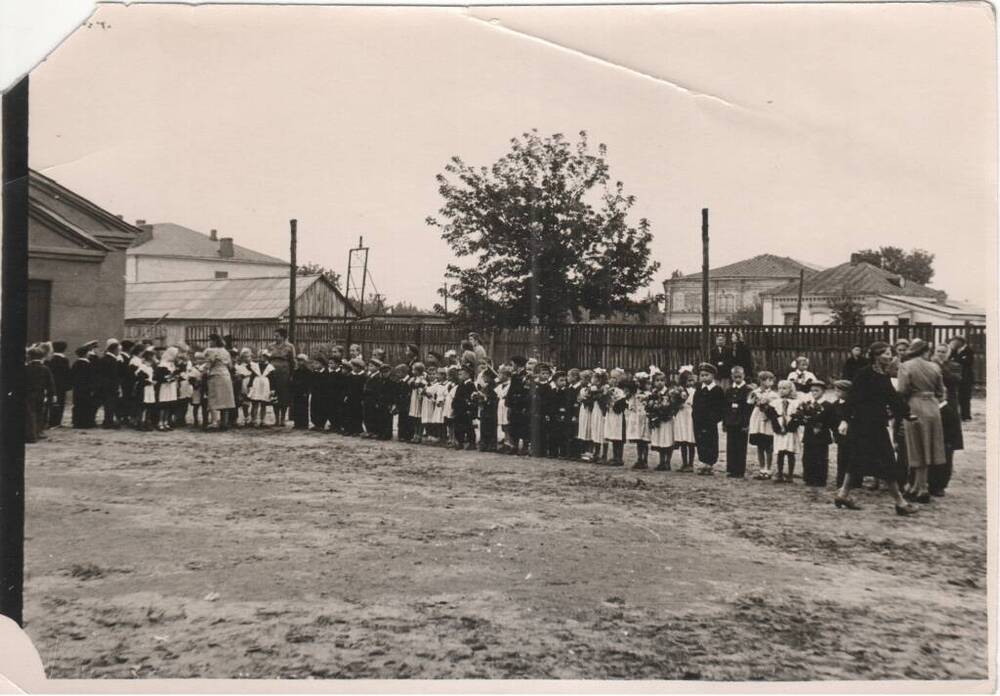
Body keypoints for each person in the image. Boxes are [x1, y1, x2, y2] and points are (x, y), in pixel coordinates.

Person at [833, 341, 917, 515]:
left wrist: (907, 413)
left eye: (890, 353)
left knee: (857, 460)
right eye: (886, 353)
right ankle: (900, 503)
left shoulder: (882, 374)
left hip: (875, 423)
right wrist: (844, 420)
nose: (889, 356)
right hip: (864, 424)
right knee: (886, 461)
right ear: (876, 355)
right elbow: (852, 398)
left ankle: (843, 494)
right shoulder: (864, 373)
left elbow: (892, 398)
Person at [897, 339, 946, 503]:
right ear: (926, 351)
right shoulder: (935, 367)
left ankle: (920, 487)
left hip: (915, 406)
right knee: (928, 446)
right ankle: (918, 486)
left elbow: (902, 390)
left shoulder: (906, 366)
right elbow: (941, 391)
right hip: (932, 407)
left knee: (915, 446)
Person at [930, 342, 964, 496]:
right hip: (932, 407)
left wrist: (939, 366)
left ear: (949, 353)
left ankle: (941, 484)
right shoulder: (929, 365)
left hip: (948, 409)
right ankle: (929, 481)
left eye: (944, 351)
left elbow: (953, 380)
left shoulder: (955, 365)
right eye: (938, 351)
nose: (941, 354)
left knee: (947, 447)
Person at [800, 381, 835, 487]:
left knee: (820, 457)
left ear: (823, 391)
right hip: (809, 434)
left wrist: (821, 426)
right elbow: (802, 418)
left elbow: (831, 420)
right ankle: (809, 478)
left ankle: (820, 479)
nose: (814, 393)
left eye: (817, 390)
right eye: (812, 390)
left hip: (821, 435)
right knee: (808, 456)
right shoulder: (807, 404)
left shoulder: (828, 405)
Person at [692, 363, 725, 475]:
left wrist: (714, 419)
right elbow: (695, 405)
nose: (704, 377)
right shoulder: (699, 390)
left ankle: (710, 463)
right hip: (699, 422)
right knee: (700, 441)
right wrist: (695, 417)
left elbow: (720, 407)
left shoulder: (717, 390)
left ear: (713, 376)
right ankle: (703, 462)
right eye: (702, 375)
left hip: (710, 422)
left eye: (707, 375)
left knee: (710, 441)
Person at [769, 379, 803, 482]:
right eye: (779, 388)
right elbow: (772, 416)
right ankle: (780, 473)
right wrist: (778, 428)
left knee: (790, 452)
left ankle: (790, 474)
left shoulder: (796, 402)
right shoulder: (774, 403)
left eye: (784, 388)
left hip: (790, 430)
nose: (781, 390)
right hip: (779, 429)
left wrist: (789, 427)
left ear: (790, 389)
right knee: (780, 452)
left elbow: (798, 417)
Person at [723, 365, 753, 478]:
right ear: (731, 377)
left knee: (741, 446)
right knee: (731, 446)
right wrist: (725, 423)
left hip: (741, 422)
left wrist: (746, 423)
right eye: (735, 376)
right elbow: (725, 407)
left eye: (740, 376)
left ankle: (739, 470)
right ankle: (731, 469)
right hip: (731, 422)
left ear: (744, 376)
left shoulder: (748, 390)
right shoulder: (729, 390)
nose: (737, 378)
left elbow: (749, 409)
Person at [748, 371, 777, 480]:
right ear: (760, 381)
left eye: (771, 380)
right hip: (757, 419)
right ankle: (762, 469)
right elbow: (749, 402)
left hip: (767, 420)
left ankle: (769, 469)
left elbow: (774, 406)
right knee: (760, 446)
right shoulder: (755, 392)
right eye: (765, 380)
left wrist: (766, 402)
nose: (769, 382)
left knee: (768, 446)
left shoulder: (773, 394)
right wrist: (756, 399)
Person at [204, 334, 236, 430]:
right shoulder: (226, 351)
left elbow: (209, 364)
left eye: (210, 340)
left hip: (216, 375)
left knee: (213, 398)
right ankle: (224, 422)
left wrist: (203, 372)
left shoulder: (212, 351)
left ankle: (214, 422)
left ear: (214, 341)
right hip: (226, 376)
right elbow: (231, 366)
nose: (209, 342)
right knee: (225, 399)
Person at [25, 347, 56, 443]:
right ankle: (38, 432)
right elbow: (50, 384)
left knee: (30, 414)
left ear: (30, 356)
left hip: (28, 395)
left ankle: (31, 436)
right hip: (41, 395)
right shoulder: (45, 369)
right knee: (40, 413)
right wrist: (52, 395)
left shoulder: (26, 368)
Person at [646, 369, 675, 471]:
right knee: (660, 440)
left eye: (662, 380)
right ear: (654, 382)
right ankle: (661, 461)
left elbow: (672, 405)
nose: (660, 382)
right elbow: (649, 406)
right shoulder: (653, 393)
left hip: (667, 420)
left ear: (665, 381)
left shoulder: (669, 392)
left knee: (667, 439)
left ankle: (668, 462)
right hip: (658, 420)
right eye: (657, 380)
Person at [268, 328, 297, 427]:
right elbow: (267, 358)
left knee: (284, 395)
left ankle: (283, 418)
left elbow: (293, 361)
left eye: (277, 336)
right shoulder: (271, 346)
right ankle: (276, 418)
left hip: (284, 373)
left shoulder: (290, 347)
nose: (275, 338)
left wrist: (292, 374)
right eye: (275, 336)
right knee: (274, 394)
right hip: (272, 372)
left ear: (283, 337)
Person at [672, 368, 696, 471]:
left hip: (690, 415)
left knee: (691, 440)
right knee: (683, 440)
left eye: (692, 380)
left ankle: (691, 464)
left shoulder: (695, 391)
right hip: (682, 415)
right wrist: (678, 404)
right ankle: (684, 463)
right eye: (688, 380)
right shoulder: (679, 391)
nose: (691, 382)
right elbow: (674, 403)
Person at [602, 369, 628, 466]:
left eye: (615, 378)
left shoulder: (621, 391)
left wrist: (614, 402)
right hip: (611, 415)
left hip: (618, 416)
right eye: (611, 378)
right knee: (613, 436)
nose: (612, 380)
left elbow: (622, 404)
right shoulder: (608, 390)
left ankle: (619, 457)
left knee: (618, 437)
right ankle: (614, 456)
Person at [627, 372, 652, 469]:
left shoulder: (649, 394)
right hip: (637, 417)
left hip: (645, 417)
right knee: (638, 440)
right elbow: (631, 404)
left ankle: (645, 459)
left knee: (644, 440)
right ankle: (639, 458)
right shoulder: (634, 394)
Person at [97, 338, 123, 429]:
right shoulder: (112, 360)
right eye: (118, 350)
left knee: (108, 404)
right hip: (111, 386)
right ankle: (108, 422)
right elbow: (114, 375)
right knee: (110, 404)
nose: (119, 352)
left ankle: (107, 421)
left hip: (104, 385)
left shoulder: (104, 358)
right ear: (115, 350)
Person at [830, 380, 852, 487]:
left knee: (851, 457)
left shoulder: (852, 404)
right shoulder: (835, 405)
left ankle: (853, 481)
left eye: (840, 391)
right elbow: (833, 420)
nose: (837, 393)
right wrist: (835, 432)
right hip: (840, 435)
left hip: (851, 435)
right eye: (836, 390)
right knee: (841, 457)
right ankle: (840, 480)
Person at [948, 335, 975, 421]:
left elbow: (967, 362)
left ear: (960, 342)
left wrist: (955, 360)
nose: (953, 343)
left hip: (966, 377)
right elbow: (949, 359)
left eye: (955, 341)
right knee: (956, 396)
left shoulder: (969, 350)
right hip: (957, 376)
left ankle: (966, 415)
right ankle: (957, 414)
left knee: (965, 397)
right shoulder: (954, 350)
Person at [70, 344, 97, 428]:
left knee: (78, 405)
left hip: (77, 389)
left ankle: (77, 422)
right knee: (86, 405)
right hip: (86, 389)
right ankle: (86, 422)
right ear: (86, 354)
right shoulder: (88, 365)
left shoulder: (75, 364)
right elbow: (91, 378)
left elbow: (72, 376)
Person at [451, 365, 478, 450]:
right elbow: (456, 396)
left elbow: (472, 398)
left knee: (469, 427)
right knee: (458, 427)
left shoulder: (471, 385)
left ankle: (472, 443)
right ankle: (460, 442)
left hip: (466, 409)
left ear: (467, 375)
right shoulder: (461, 384)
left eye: (461, 374)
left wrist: (470, 408)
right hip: (459, 409)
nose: (459, 376)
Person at [46, 341, 71, 427]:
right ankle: (57, 421)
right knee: (60, 402)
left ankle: (51, 421)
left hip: (52, 385)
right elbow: (67, 374)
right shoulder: (65, 360)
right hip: (62, 386)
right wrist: (68, 385)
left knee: (52, 403)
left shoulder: (51, 360)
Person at [290, 354, 312, 429]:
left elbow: (309, 383)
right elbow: (293, 381)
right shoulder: (296, 371)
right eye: (298, 361)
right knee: (296, 407)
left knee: (304, 407)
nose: (300, 362)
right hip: (297, 392)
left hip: (304, 392)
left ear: (305, 362)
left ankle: (304, 423)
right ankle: (297, 423)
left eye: (302, 361)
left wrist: (307, 392)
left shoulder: (308, 372)